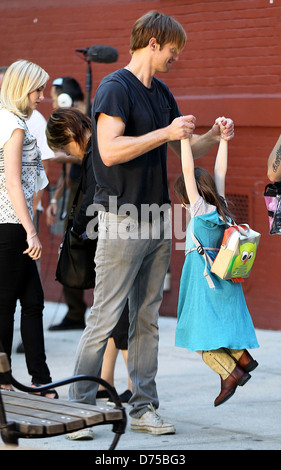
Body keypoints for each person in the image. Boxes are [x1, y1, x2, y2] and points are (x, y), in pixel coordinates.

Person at [67, 10, 235, 437]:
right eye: (174, 49)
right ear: (154, 42)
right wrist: (165, 134)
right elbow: (109, 150)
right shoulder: (114, 88)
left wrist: (213, 136)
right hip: (122, 218)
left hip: (159, 219)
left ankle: (143, 407)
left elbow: (183, 146)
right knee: (105, 316)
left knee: (146, 319)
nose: (177, 57)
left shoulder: (161, 93)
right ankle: (79, 410)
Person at [45, 108, 132, 431]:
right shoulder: (98, 144)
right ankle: (102, 382)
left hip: (115, 235)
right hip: (116, 232)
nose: (68, 154)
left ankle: (136, 390)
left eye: (66, 148)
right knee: (110, 311)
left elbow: (94, 196)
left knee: (116, 314)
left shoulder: (97, 149)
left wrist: (78, 230)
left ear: (70, 136)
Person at [174, 119, 259, 407]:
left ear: (189, 195)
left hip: (202, 278)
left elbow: (187, 170)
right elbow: (221, 170)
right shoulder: (221, 207)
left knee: (198, 338)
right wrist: (223, 140)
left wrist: (184, 139)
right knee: (218, 328)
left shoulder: (197, 209)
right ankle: (242, 356)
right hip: (224, 277)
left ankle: (231, 372)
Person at [0, 59, 57, 398]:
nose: (42, 96)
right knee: (7, 303)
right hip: (12, 226)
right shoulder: (15, 125)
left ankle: (39, 378)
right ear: (24, 88)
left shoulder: (10, 120)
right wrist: (30, 230)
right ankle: (9, 381)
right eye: (38, 89)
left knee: (32, 301)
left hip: (13, 223)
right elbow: (13, 184)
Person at [46, 77, 88, 330]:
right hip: (74, 190)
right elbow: (66, 176)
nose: (52, 103)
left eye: (55, 97)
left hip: (91, 194)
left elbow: (93, 155)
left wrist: (66, 156)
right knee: (69, 249)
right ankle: (74, 312)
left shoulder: (89, 120)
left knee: (80, 249)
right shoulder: (68, 121)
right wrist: (54, 198)